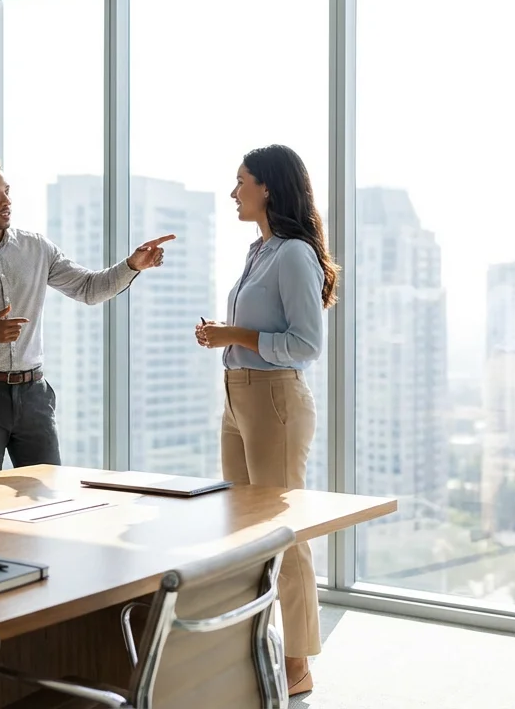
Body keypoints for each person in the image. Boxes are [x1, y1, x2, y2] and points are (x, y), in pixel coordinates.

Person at [0, 155, 175, 475]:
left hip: (34, 396)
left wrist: (132, 266)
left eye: (7, 191)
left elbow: (88, 289)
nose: (7, 201)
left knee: (49, 494)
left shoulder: (37, 248)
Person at [195, 144, 339, 698]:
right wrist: (227, 338)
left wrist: (233, 336)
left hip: (274, 400)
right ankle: (253, 644)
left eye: (241, 182)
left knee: (284, 531)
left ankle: (298, 661)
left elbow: (305, 345)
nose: (234, 193)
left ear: (268, 188)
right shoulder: (260, 251)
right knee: (245, 529)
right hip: (238, 396)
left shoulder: (295, 254)